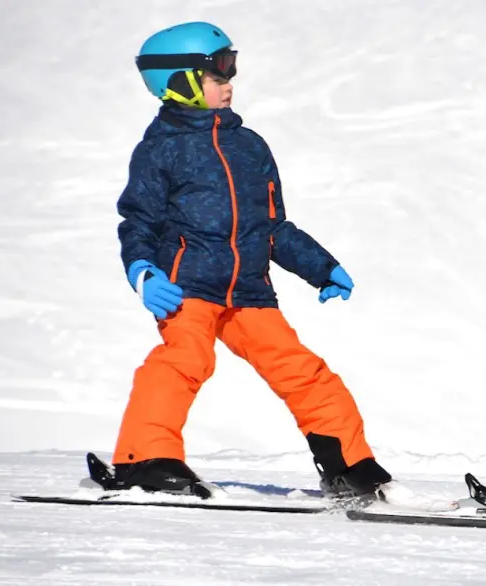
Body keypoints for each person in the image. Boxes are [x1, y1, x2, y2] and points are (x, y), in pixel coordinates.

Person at [111, 21, 391, 500]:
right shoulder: (160, 150)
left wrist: (320, 266)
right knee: (183, 361)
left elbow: (272, 226)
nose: (229, 84)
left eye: (230, 72)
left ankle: (349, 463)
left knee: (303, 370)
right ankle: (145, 459)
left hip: (249, 290)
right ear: (179, 81)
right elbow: (138, 220)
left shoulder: (250, 145)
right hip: (187, 285)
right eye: (217, 75)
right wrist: (142, 271)